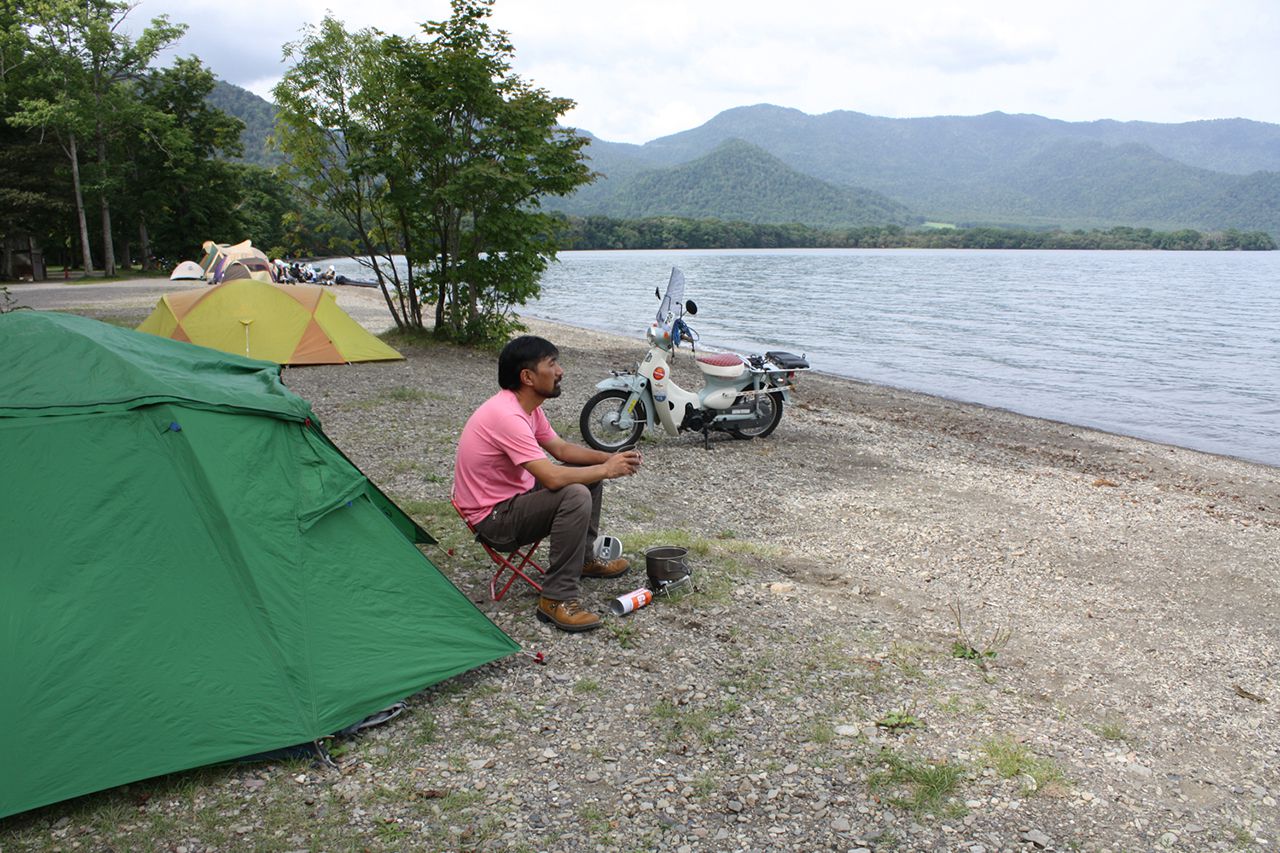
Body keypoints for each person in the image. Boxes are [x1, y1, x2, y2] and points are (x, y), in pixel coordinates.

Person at [453, 335, 641, 632]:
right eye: (552, 364)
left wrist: (607, 458)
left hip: (513, 499)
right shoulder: (507, 416)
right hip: (493, 519)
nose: (560, 371)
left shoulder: (527, 407)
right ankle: (555, 598)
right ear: (527, 377)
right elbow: (552, 477)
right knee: (576, 493)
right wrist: (606, 470)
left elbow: (562, 450)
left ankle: (582, 560)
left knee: (586, 473)